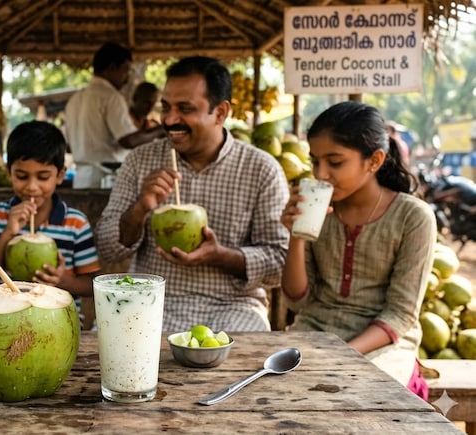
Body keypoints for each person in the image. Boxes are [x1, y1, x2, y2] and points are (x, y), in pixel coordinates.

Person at [95, 56, 290, 332]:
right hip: (148, 304)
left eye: (185, 109)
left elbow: (280, 263)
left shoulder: (261, 169)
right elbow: (106, 247)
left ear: (220, 112)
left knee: (245, 352)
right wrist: (140, 208)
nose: (169, 119)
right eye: (166, 107)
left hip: (231, 308)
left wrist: (220, 255)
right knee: (105, 348)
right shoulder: (140, 161)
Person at [280, 101, 437, 397]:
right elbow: (298, 301)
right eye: (315, 162)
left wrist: (343, 354)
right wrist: (297, 235)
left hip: (382, 344)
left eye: (335, 162)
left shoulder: (413, 217)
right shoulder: (317, 209)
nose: (321, 174)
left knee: (359, 395)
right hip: (315, 333)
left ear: (374, 160)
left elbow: (400, 315)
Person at [0, 120, 101, 326]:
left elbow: (91, 287)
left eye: (43, 177)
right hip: (7, 320)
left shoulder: (75, 223)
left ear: (60, 175)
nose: (32, 187)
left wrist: (62, 280)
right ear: (8, 172)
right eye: (22, 176)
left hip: (59, 322)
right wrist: (7, 233)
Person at [64, 42, 166, 189]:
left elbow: (68, 147)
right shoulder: (111, 97)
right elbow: (128, 141)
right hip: (105, 178)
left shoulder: (75, 99)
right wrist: (161, 130)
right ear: (112, 68)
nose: (127, 78)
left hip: (80, 179)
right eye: (125, 71)